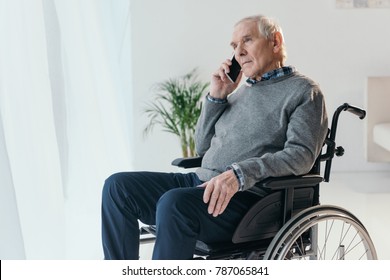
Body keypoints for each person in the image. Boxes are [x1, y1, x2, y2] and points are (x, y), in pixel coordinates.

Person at [101, 14, 328, 260]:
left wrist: (240, 174)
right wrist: (217, 96)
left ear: (275, 42)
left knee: (173, 204)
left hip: (248, 199)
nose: (239, 53)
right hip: (201, 184)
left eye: (247, 41)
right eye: (234, 46)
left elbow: (301, 156)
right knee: (118, 187)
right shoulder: (241, 92)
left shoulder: (304, 92)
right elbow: (202, 146)